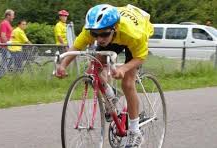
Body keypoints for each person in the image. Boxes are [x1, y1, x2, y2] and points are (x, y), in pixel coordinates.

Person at [55, 4, 154, 148]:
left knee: (127, 83)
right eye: (95, 34)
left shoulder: (133, 33)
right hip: (115, 37)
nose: (99, 39)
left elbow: (140, 57)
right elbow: (76, 48)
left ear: (114, 27)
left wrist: (124, 68)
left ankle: (135, 131)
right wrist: (63, 65)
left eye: (103, 34)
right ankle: (111, 95)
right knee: (92, 70)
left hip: (136, 32)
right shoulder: (92, 30)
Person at [0, 9, 15, 77]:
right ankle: (0, 75)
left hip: (8, 47)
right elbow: (3, 35)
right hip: (5, 47)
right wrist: (8, 43)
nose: (13, 17)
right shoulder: (4, 23)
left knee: (9, 61)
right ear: (8, 16)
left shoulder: (8, 24)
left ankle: (2, 73)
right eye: (12, 15)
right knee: (6, 62)